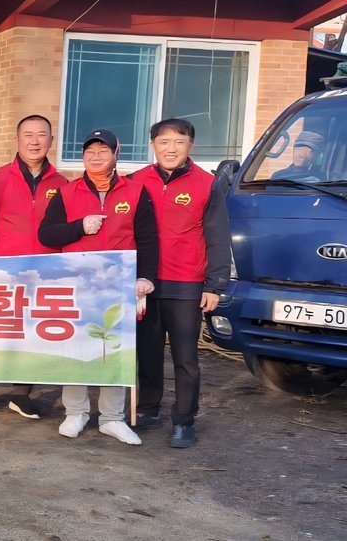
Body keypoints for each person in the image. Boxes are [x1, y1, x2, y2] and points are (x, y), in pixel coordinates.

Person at [38, 128, 158, 445]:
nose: (95, 156)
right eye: (90, 151)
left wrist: (146, 276)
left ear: (116, 153)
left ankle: (112, 418)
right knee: (77, 349)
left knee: (113, 350)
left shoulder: (136, 192)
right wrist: (79, 227)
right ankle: (76, 412)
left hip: (119, 285)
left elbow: (148, 239)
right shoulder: (66, 192)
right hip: (77, 284)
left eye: (103, 151)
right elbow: (46, 235)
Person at [131, 118, 231, 448]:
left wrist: (214, 285)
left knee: (186, 358)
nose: (171, 149)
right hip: (144, 283)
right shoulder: (136, 181)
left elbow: (218, 236)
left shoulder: (207, 183)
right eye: (164, 142)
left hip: (187, 284)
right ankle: (148, 408)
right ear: (153, 145)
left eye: (179, 142)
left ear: (191, 145)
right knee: (147, 353)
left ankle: (184, 419)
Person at [0, 114, 69, 420]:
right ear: (17, 140)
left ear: (51, 140)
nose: (35, 141)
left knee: (32, 332)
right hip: (2, 269)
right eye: (28, 135)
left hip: (44, 271)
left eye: (41, 135)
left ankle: (21, 394)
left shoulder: (62, 184)